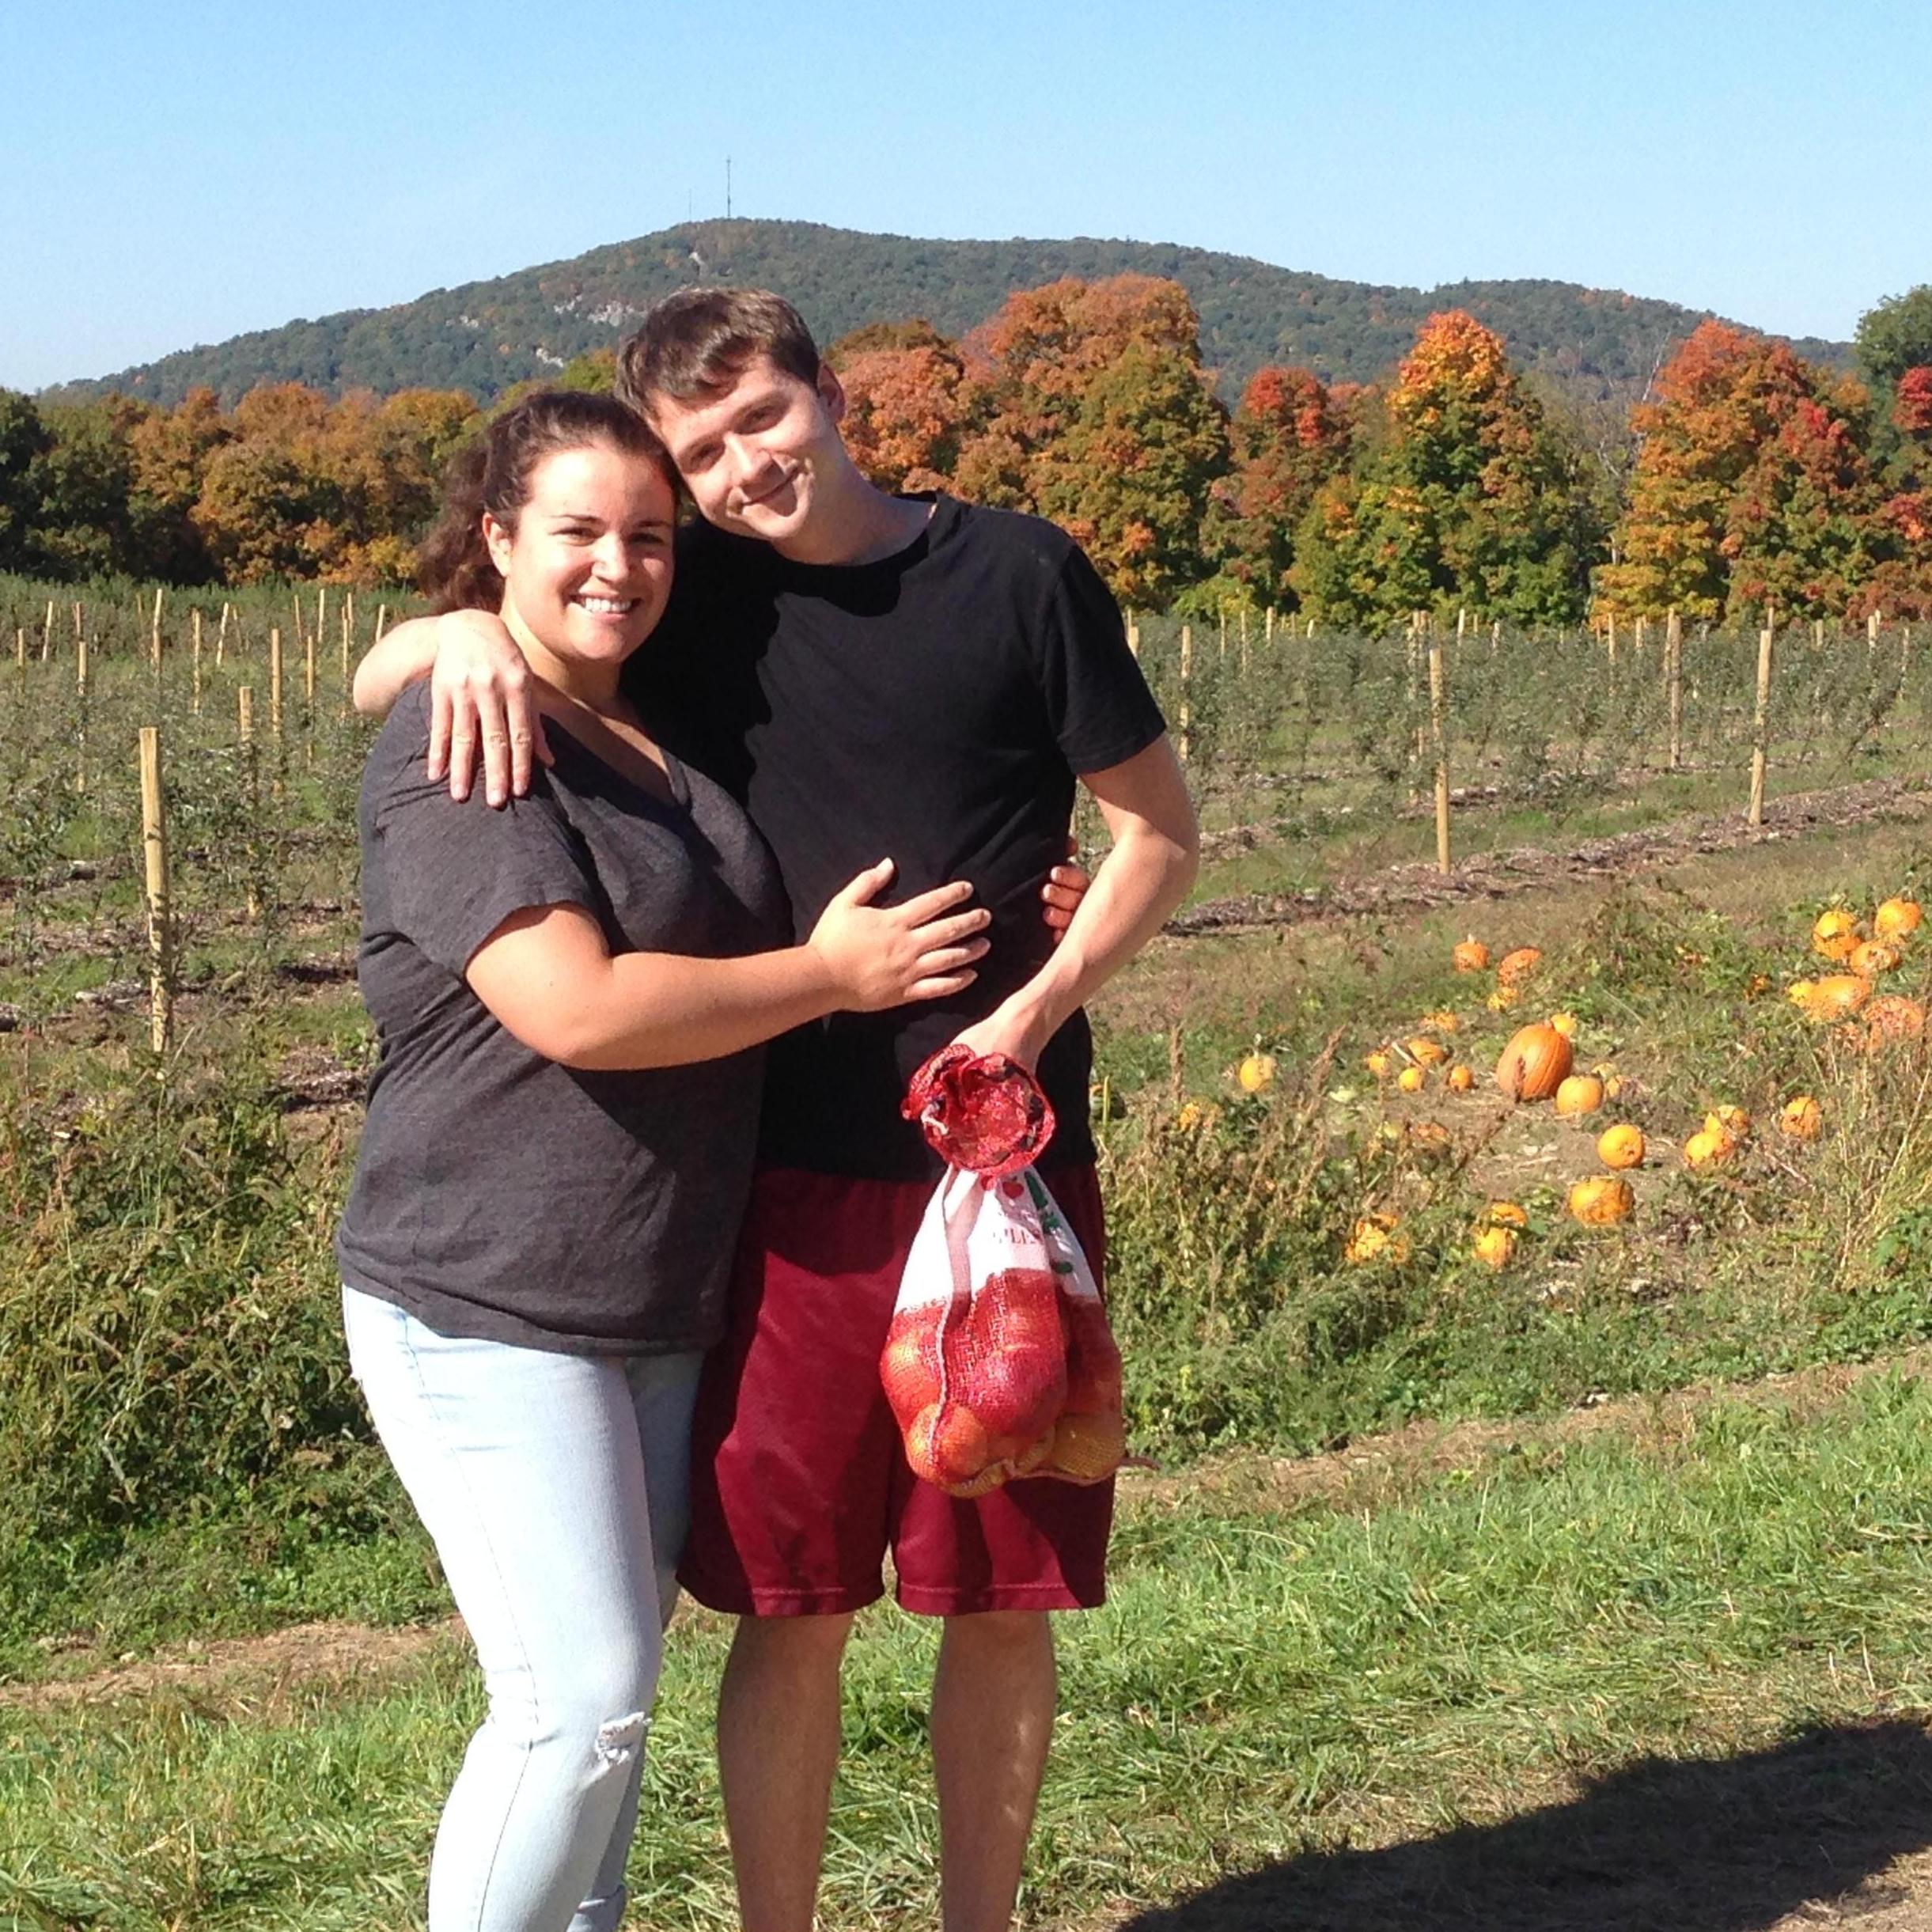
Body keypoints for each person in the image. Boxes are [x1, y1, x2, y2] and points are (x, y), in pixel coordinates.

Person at [355, 288, 1200, 1932]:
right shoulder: (696, 597)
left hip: (1003, 1182)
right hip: (784, 1185)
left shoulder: (1020, 576)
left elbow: (1159, 835)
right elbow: (435, 648)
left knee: (998, 1595)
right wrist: (452, 637)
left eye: (763, 416)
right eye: (701, 452)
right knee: (791, 1602)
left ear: (831, 395)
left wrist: (1029, 1016)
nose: (743, 466)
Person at [336, 386, 996, 1932]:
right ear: (499, 536)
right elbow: (575, 1006)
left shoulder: (649, 717)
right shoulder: (467, 736)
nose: (618, 566)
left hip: (650, 1295)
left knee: (609, 1735)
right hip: (484, 1294)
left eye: (648, 536)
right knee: (575, 1704)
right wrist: (828, 978)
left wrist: (1023, 882)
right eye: (576, 531)